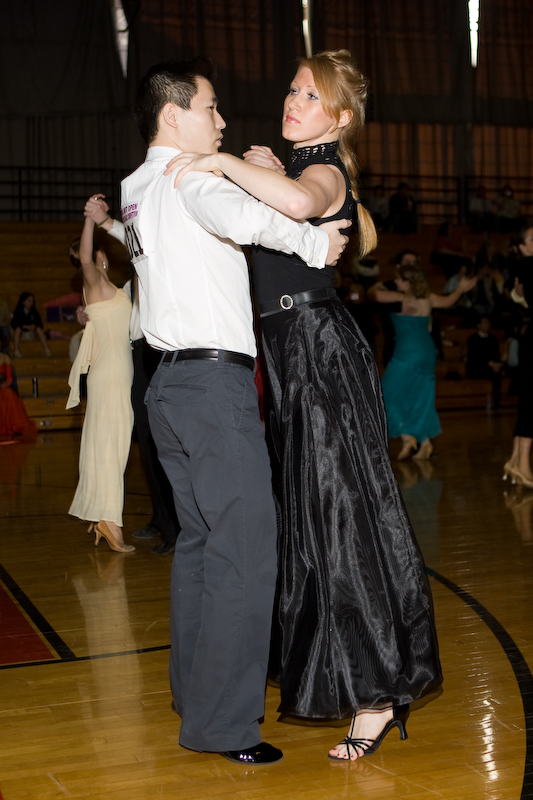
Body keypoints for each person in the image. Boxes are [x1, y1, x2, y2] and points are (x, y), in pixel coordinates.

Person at [171, 49, 442, 761]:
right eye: (292, 91)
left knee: (343, 522)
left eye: (310, 97)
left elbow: (300, 203)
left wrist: (222, 162)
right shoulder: (294, 168)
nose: (293, 103)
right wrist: (258, 167)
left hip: (319, 353)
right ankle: (356, 677)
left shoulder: (325, 171)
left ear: (341, 118)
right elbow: (282, 205)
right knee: (314, 528)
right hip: (291, 359)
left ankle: (377, 694)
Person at [120, 57, 349, 765]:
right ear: (173, 115)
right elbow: (253, 221)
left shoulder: (135, 187)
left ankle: (196, 695)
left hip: (167, 387)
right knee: (245, 552)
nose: (220, 121)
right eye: (210, 108)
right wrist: (318, 243)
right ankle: (223, 726)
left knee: (200, 547)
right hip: (212, 390)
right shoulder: (191, 178)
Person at [83, 194, 180, 555]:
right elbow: (116, 311)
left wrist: (105, 222)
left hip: (155, 354)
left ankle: (174, 529)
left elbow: (134, 238)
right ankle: (161, 518)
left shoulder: (161, 261)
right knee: (146, 444)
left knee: (157, 441)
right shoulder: (129, 282)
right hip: (135, 358)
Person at [66, 215, 135, 553]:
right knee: (112, 447)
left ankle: (105, 516)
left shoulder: (109, 289)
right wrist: (90, 220)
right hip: (111, 374)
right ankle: (110, 521)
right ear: (97, 256)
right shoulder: (93, 283)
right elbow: (83, 257)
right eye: (96, 252)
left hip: (115, 373)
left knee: (113, 445)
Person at [370, 264, 476, 460]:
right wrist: (461, 288)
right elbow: (449, 300)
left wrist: (379, 285)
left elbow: (374, 295)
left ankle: (407, 436)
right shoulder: (429, 297)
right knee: (419, 398)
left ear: (408, 282)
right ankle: (425, 443)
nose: (396, 281)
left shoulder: (401, 298)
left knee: (385, 395)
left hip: (407, 353)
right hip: (427, 353)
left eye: (399, 279)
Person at [503, 227, 533, 487]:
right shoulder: (528, 265)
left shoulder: (523, 266)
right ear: (523, 247)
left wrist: (517, 296)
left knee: (528, 402)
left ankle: (515, 461)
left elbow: (518, 296)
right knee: (530, 404)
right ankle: (523, 465)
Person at [466, 316, 504, 408]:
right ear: (478, 325)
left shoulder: (493, 339)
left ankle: (497, 401)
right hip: (477, 367)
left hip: (491, 367)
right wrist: (490, 364)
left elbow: (496, 355)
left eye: (488, 323)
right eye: (485, 323)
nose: (487, 325)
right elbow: (474, 358)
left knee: (500, 371)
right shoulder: (472, 339)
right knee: (494, 372)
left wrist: (497, 364)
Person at [0, 343, 36, 437]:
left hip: (3, 385)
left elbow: (9, 378)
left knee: (8, 393)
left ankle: (12, 426)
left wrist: (5, 384)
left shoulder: (5, 358)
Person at [11, 292, 51, 358]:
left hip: (32, 334)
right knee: (18, 329)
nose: (31, 303)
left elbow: (40, 324)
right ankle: (16, 351)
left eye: (32, 301)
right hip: (22, 334)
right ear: (23, 302)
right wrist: (24, 326)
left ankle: (47, 349)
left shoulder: (34, 311)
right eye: (29, 301)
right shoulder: (18, 311)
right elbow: (14, 324)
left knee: (38, 329)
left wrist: (34, 326)